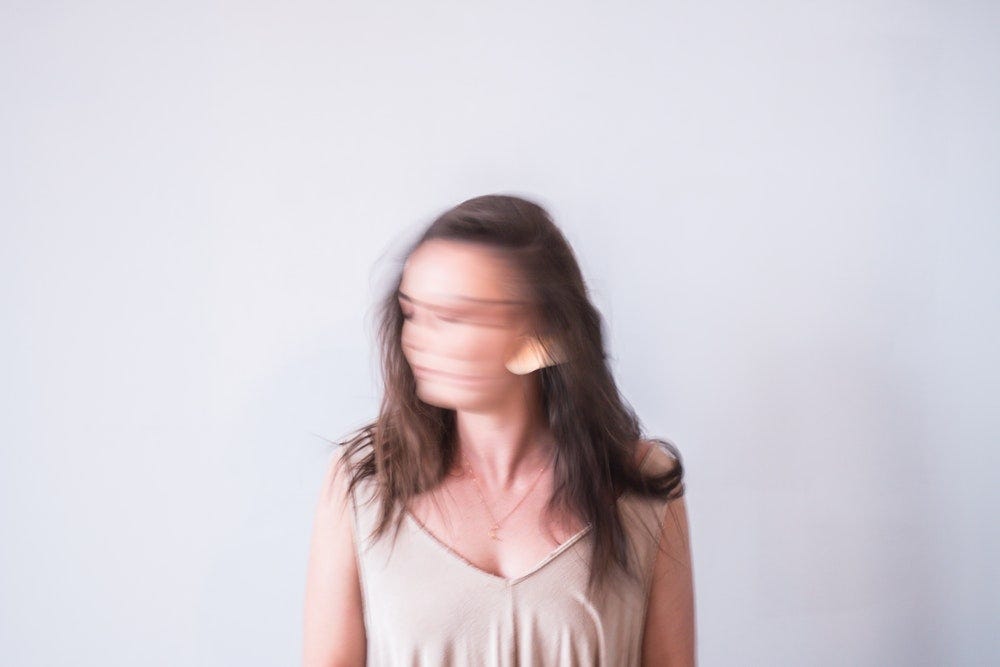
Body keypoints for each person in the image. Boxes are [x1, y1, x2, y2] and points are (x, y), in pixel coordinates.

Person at [303, 194, 695, 666]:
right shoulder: (365, 480)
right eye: (411, 313)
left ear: (543, 332)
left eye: (453, 317)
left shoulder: (643, 487)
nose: (419, 339)